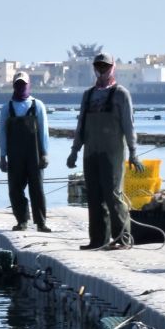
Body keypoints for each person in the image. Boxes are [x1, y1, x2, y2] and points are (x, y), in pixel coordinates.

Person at [65, 52, 142, 250]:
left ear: (112, 67)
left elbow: (129, 125)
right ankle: (98, 239)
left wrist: (133, 152)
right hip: (91, 153)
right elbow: (81, 124)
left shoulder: (121, 94)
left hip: (112, 154)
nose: (101, 70)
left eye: (105, 67)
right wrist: (74, 150)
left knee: (113, 194)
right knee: (94, 196)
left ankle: (122, 239)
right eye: (98, 67)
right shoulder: (88, 95)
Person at [0, 71, 51, 232]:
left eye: (24, 84)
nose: (21, 87)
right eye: (18, 84)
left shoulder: (38, 106)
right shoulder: (7, 108)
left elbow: (44, 131)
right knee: (15, 189)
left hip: (34, 154)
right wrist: (2, 156)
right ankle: (22, 220)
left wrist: (45, 153)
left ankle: (41, 223)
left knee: (37, 189)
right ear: (14, 86)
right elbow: (2, 133)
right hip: (15, 155)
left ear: (29, 85)